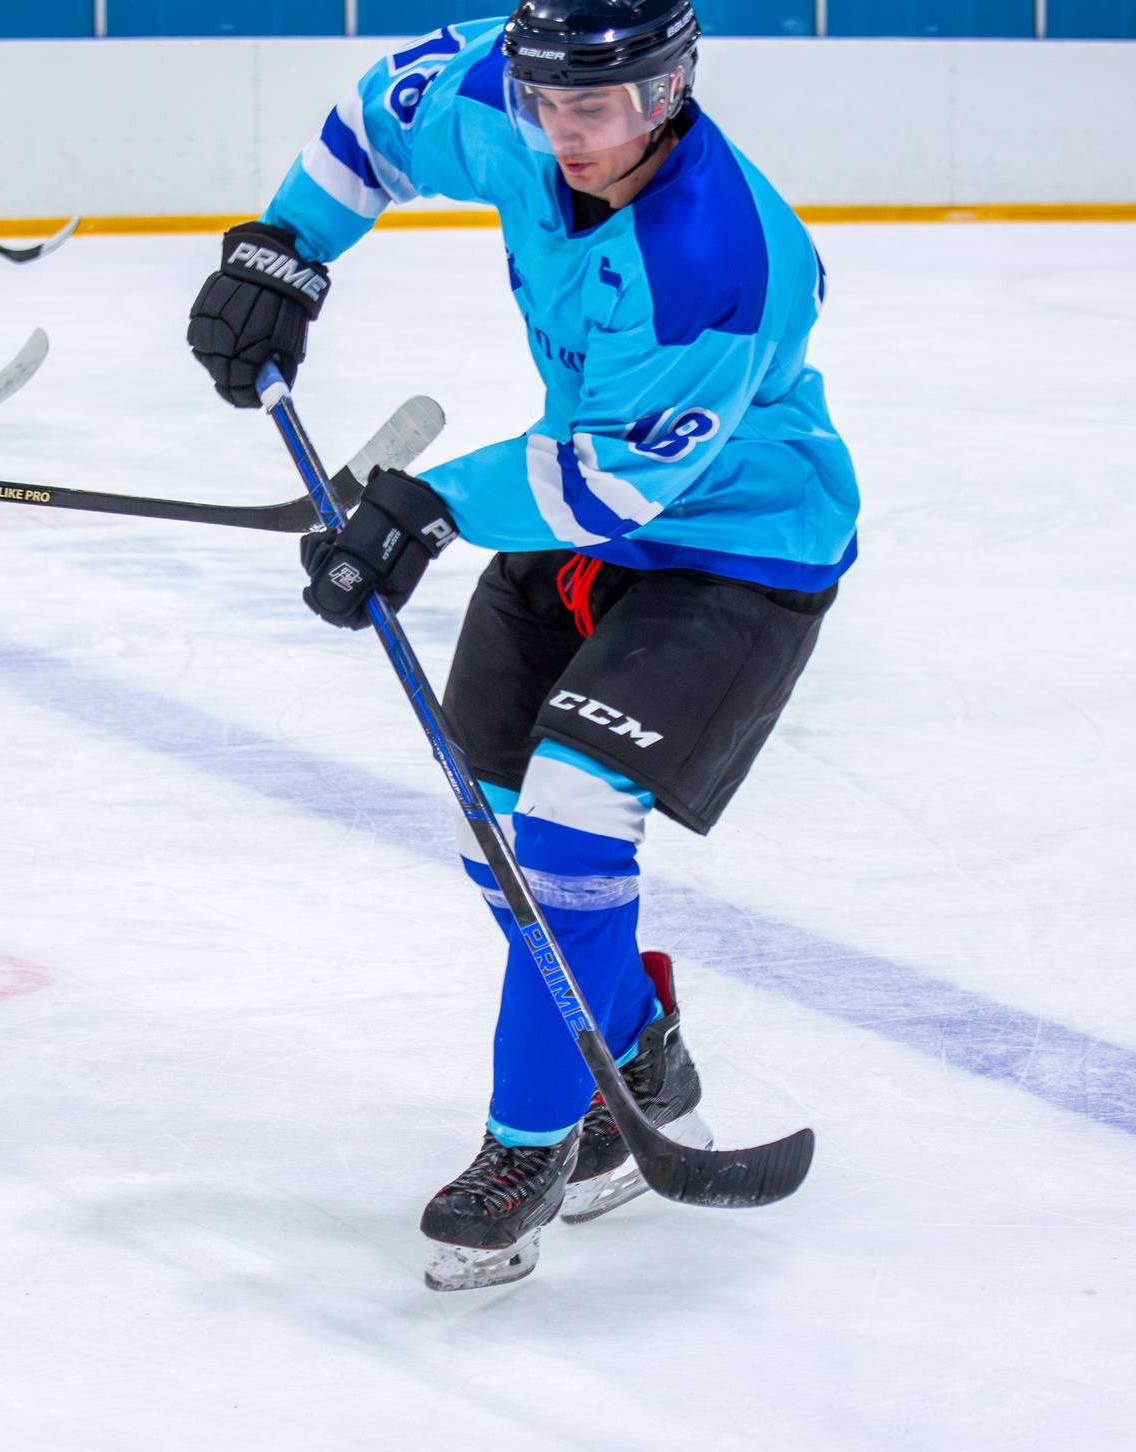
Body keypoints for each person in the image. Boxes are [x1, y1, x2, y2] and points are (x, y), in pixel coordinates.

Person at [187, 0, 858, 1290]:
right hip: (568, 497)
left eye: (593, 110)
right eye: (542, 104)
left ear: (673, 89)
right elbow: (375, 117)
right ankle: (637, 1056)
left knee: (563, 820)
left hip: (735, 547)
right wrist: (284, 249)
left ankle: (531, 1142)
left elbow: (611, 490)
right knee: (486, 832)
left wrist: (424, 506)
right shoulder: (522, 94)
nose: (560, 136)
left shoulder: (718, 263)